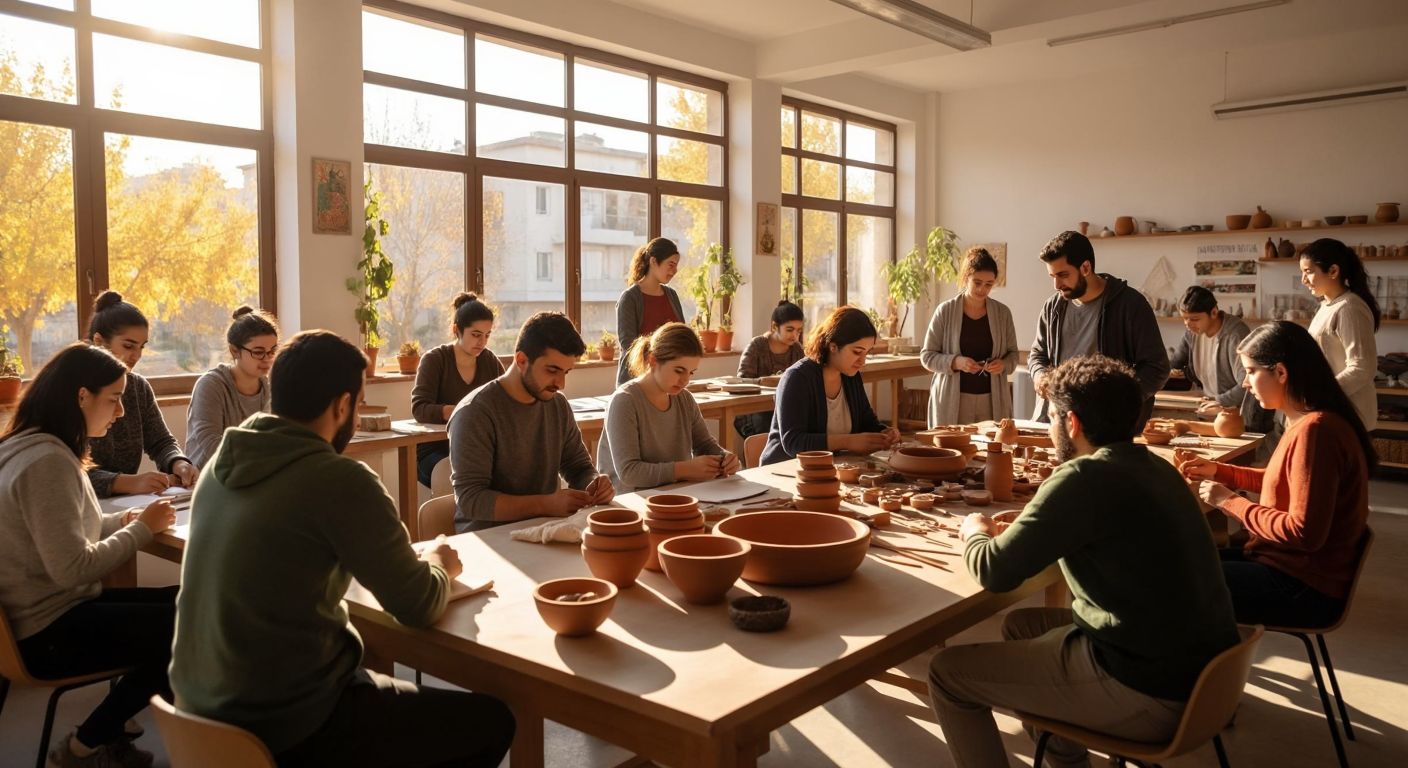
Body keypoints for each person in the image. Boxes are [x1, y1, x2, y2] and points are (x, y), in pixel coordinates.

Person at [169, 331, 514, 767]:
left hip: (197, 716)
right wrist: (439, 563)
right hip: (288, 723)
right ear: (342, 405)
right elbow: (417, 605)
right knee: (492, 721)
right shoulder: (339, 480)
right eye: (360, 402)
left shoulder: (221, 465)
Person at [927, 355, 1238, 768]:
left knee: (946, 672)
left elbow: (994, 571)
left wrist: (974, 531)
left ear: (1071, 423)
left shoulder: (1083, 477)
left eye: (1052, 417)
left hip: (1151, 689)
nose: (1050, 426)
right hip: (1210, 679)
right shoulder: (1157, 468)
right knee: (1021, 625)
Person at [0, 342, 178, 768]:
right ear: (82, 396)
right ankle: (86, 746)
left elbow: (59, 533)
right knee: (198, 628)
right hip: (48, 632)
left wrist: (124, 522)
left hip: (36, 617)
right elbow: (72, 568)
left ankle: (107, 734)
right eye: (114, 399)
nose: (120, 412)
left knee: (193, 604)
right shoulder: (47, 462)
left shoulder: (23, 445)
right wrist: (141, 530)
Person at [1182, 321, 1373, 628]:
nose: (1245, 383)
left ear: (1281, 372)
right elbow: (1280, 481)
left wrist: (1229, 502)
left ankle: (1212, 659)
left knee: (1174, 582)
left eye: (1250, 371)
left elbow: (1303, 533)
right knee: (1182, 562)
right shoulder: (1307, 422)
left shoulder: (1317, 431)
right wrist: (1219, 471)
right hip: (1287, 567)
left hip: (1303, 587)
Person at [450, 312, 613, 531]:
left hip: (544, 528)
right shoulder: (474, 413)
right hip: (489, 538)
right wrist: (545, 504)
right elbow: (472, 500)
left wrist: (594, 483)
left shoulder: (557, 405)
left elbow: (579, 468)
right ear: (521, 360)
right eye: (552, 370)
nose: (561, 384)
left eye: (566, 372)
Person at [1027, 231, 1168, 428]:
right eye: (1052, 276)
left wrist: (1121, 400)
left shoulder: (1131, 305)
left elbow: (1157, 368)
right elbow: (1037, 355)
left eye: (1063, 275)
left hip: (1110, 427)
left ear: (1086, 267)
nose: (1057, 285)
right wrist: (1039, 375)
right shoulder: (1052, 307)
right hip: (1059, 423)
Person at [599, 322, 740, 492]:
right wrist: (684, 470)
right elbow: (629, 473)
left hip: (678, 492)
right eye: (679, 371)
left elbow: (704, 444)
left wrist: (725, 458)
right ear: (653, 360)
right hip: (631, 501)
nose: (685, 381)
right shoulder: (624, 401)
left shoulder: (684, 399)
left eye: (691, 372)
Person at [84, 291, 197, 497]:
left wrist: (178, 463)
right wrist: (129, 482)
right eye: (128, 346)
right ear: (99, 341)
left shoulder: (138, 387)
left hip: (127, 502)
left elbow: (161, 442)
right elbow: (68, 471)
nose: (136, 356)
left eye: (141, 347)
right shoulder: (74, 390)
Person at [759, 306, 900, 466]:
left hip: (830, 467)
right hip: (783, 469)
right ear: (833, 347)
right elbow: (794, 443)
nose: (862, 361)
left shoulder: (851, 376)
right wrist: (848, 442)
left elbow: (867, 423)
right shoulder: (797, 378)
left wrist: (884, 433)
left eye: (866, 353)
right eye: (856, 352)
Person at [409, 292, 505, 488]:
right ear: (456, 330)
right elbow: (419, 408)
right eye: (476, 335)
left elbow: (506, 403)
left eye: (487, 335)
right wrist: (459, 412)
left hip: (477, 448)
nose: (482, 342)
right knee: (458, 471)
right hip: (436, 450)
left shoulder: (490, 361)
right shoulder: (435, 360)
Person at [920, 247, 1020, 426]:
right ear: (966, 278)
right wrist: (956, 362)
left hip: (993, 401)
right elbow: (927, 357)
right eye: (977, 282)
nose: (982, 289)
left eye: (989, 284)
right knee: (953, 444)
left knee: (993, 443)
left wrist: (1003, 364)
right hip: (952, 401)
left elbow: (1013, 355)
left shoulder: (1003, 313)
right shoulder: (945, 311)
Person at [185, 305, 279, 469]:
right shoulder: (211, 385)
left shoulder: (268, 388)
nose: (267, 359)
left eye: (272, 351)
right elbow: (211, 444)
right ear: (234, 351)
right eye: (258, 352)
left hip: (248, 474)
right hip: (207, 476)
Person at [1301, 238, 1380, 430]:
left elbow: (1362, 367)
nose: (1303, 280)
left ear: (1333, 271)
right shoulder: (1326, 306)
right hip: (1330, 411)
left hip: (1349, 415)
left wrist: (1323, 395)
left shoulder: (1349, 308)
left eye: (1308, 272)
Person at [1169, 286, 1271, 433]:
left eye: (1194, 319)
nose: (1188, 324)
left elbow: (1247, 384)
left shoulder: (1235, 334)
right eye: (1185, 319)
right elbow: (1175, 363)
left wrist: (1219, 401)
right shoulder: (1192, 333)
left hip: (1234, 416)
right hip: (1209, 409)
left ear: (1214, 312)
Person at [616, 237, 685, 386]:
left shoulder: (672, 295)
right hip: (637, 383)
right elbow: (629, 345)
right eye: (671, 264)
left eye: (676, 266)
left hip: (669, 381)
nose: (674, 271)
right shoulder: (629, 298)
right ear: (653, 261)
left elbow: (681, 335)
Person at [734, 300, 805, 439]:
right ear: (774, 326)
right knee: (769, 422)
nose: (795, 336)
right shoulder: (757, 346)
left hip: (783, 407)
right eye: (789, 330)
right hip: (754, 410)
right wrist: (767, 381)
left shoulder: (797, 350)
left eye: (798, 331)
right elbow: (742, 381)